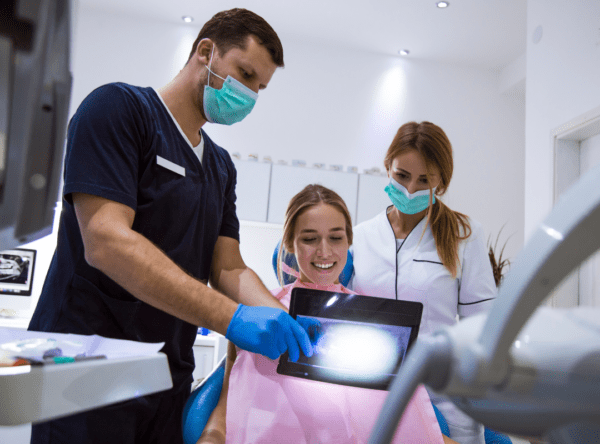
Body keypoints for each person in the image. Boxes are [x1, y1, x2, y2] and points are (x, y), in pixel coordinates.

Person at [28, 9, 313, 444]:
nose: (250, 95)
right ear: (205, 52)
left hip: (164, 377)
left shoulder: (219, 166)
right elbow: (106, 241)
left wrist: (283, 319)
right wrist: (232, 317)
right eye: (245, 73)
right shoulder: (119, 110)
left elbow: (228, 268)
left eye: (260, 87)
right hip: (85, 369)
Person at [196, 184, 456, 444]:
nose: (324, 251)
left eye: (335, 237)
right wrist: (210, 437)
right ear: (289, 243)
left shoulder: (374, 322)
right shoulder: (258, 315)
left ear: (348, 241)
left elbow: (405, 422)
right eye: (309, 238)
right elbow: (226, 409)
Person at [349, 121, 498, 444]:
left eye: (424, 180)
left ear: (441, 183)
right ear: (388, 166)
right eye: (402, 176)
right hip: (372, 392)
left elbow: (483, 329)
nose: (410, 190)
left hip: (446, 398)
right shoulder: (359, 237)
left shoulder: (464, 235)